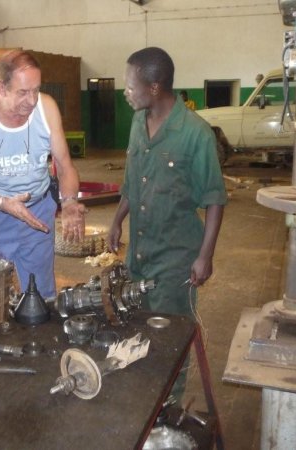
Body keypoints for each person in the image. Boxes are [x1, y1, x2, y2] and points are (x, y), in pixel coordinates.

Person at [109, 46, 226, 323]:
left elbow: (215, 199)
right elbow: (132, 182)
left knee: (171, 336)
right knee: (138, 323)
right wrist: (116, 220)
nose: (126, 93)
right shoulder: (138, 122)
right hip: (138, 256)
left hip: (175, 260)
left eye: (129, 87)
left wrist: (205, 257)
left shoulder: (196, 133)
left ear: (153, 87)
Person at [0, 50, 86, 300]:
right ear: (1, 88)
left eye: (36, 90)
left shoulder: (46, 108)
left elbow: (65, 164)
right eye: (23, 92)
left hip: (37, 215)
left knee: (41, 299)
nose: (32, 100)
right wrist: (4, 203)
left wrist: (69, 202)